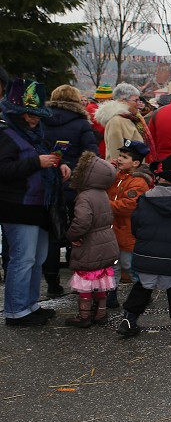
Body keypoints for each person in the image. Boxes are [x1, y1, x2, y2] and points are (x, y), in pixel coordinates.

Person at [0, 80, 67, 326]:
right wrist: (36, 163)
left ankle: (30, 305)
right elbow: (3, 169)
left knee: (36, 258)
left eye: (38, 115)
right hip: (17, 205)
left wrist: (59, 165)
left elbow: (41, 159)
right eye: (30, 115)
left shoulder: (32, 133)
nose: (35, 119)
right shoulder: (5, 132)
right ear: (17, 112)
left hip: (39, 205)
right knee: (23, 258)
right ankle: (16, 312)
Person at [117, 154, 171, 339]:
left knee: (143, 285)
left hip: (145, 255)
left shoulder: (145, 199)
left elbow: (136, 225)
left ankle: (129, 318)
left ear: (160, 177)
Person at [42, 84, 101, 295]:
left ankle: (52, 283)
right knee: (79, 231)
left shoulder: (42, 120)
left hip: (48, 182)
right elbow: (91, 155)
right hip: (76, 184)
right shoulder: (81, 124)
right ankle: (79, 280)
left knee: (52, 233)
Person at [62, 152, 118, 327]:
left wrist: (72, 235)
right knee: (100, 280)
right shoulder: (102, 193)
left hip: (90, 243)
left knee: (86, 281)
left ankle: (84, 315)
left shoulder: (84, 197)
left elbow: (83, 221)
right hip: (105, 240)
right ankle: (101, 313)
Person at [107, 139, 152, 288]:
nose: (119, 158)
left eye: (125, 157)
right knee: (112, 267)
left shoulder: (138, 182)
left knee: (130, 266)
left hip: (128, 233)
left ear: (135, 163)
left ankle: (142, 292)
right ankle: (110, 297)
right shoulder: (116, 176)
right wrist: (109, 170)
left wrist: (105, 206)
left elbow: (129, 205)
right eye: (120, 155)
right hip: (113, 232)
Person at [95, 82, 154, 161]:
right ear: (122, 101)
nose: (138, 104)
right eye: (135, 100)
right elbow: (116, 155)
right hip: (126, 172)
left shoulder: (131, 118)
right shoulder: (116, 121)